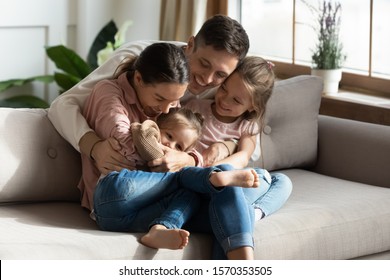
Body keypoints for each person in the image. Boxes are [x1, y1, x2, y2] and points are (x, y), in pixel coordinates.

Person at [78, 41, 256, 260]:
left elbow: (173, 154)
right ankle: (212, 177)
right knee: (198, 181)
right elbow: (129, 147)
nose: (165, 110)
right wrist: (191, 161)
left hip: (143, 206)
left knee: (225, 209)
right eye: (160, 99)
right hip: (112, 192)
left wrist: (189, 157)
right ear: (139, 79)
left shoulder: (168, 105)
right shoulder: (109, 92)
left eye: (173, 102)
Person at [48, 14, 250, 174]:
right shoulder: (140, 57)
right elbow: (62, 105)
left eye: (220, 74)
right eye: (204, 64)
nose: (207, 80)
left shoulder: (223, 88)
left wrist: (224, 146)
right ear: (190, 45)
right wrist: (94, 146)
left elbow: (248, 136)